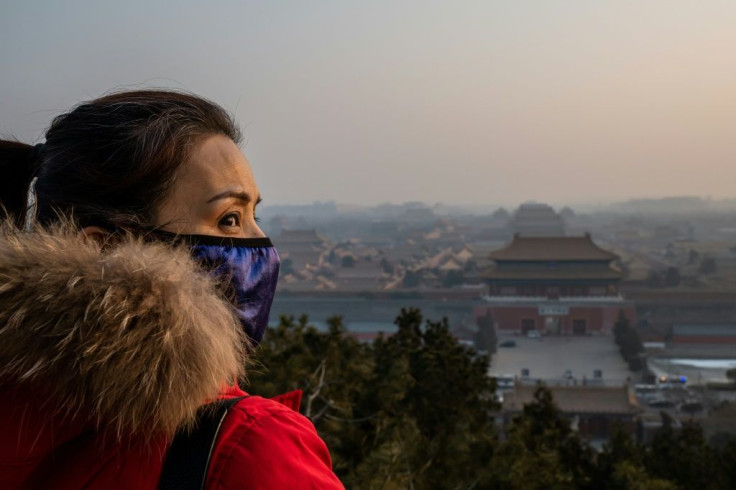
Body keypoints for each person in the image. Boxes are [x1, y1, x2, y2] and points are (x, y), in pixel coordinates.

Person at [0, 90, 344, 489]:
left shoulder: (20, 410)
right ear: (105, 250)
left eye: (255, 215)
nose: (262, 243)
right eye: (229, 219)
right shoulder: (245, 446)